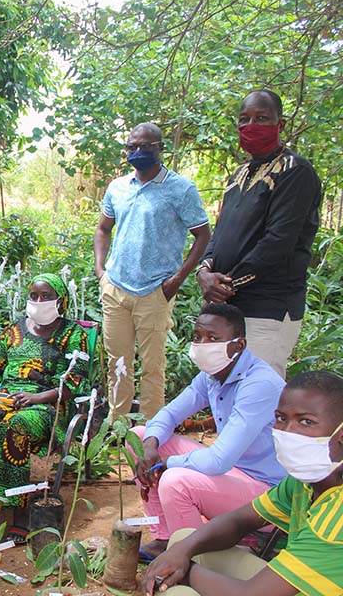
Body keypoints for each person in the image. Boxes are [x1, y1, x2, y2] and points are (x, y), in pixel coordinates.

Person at [143, 370, 343, 596]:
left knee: (175, 591)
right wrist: (181, 551)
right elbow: (240, 520)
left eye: (306, 421)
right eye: (281, 418)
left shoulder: (335, 522)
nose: (288, 432)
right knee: (183, 540)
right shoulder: (304, 483)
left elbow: (249, 594)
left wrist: (185, 571)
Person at [131, 303, 286, 560]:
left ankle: (194, 560)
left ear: (239, 346)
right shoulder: (212, 375)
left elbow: (218, 461)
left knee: (175, 480)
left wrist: (164, 463)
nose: (202, 344)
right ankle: (165, 539)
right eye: (197, 337)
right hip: (235, 473)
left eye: (213, 338)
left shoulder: (259, 384)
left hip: (268, 493)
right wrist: (150, 448)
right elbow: (169, 414)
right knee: (139, 436)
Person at [0, 274, 90, 542]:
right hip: (8, 396)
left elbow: (74, 383)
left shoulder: (74, 334)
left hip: (47, 404)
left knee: (16, 427)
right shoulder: (14, 330)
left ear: (61, 300)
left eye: (46, 296)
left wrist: (36, 398)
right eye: (34, 296)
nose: (38, 301)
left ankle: (20, 512)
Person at [197, 90, 322, 379]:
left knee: (260, 390)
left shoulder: (295, 172)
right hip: (228, 305)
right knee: (223, 387)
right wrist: (205, 270)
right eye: (244, 119)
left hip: (268, 306)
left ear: (281, 123)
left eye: (261, 118)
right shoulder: (239, 174)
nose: (251, 125)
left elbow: (279, 242)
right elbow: (221, 232)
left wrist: (226, 285)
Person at [94, 123, 210, 419]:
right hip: (116, 288)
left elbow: (203, 235)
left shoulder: (180, 189)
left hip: (155, 291)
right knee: (117, 364)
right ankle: (116, 431)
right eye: (132, 147)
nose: (137, 152)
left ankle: (149, 434)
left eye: (145, 146)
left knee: (153, 367)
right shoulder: (117, 187)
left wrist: (177, 279)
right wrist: (101, 271)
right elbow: (103, 229)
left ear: (160, 148)